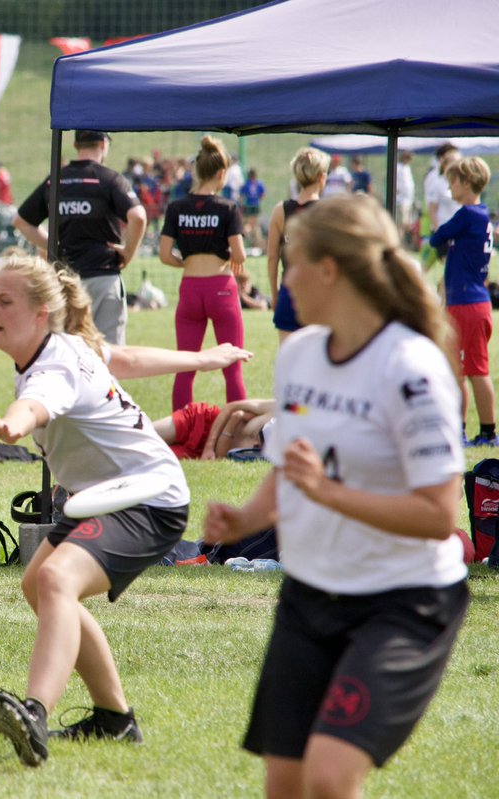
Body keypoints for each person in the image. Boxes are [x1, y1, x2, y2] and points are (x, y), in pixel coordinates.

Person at [203, 194, 469, 799]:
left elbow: (437, 515)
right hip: (311, 592)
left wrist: (327, 491)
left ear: (330, 271)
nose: (284, 277)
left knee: (327, 778)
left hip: (403, 604)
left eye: (293, 262)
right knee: (286, 784)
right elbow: (292, 465)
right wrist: (246, 517)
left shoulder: (411, 366)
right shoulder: (299, 356)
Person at [0, 253, 191, 768]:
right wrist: (204, 361)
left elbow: (35, 405)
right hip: (107, 494)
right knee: (39, 585)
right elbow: (122, 360)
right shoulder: (64, 344)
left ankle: (34, 713)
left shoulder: (50, 367)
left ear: (40, 313)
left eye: (4, 301)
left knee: (54, 582)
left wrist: (13, 425)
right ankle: (114, 719)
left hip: (147, 498)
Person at [15, 130, 147, 346]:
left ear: (76, 145)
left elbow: (22, 222)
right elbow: (138, 217)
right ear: (104, 144)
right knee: (109, 354)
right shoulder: (109, 179)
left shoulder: (55, 180)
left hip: (64, 281)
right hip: (103, 275)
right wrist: (128, 252)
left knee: (66, 352)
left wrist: (53, 246)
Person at [158, 136, 248, 410]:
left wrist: (186, 263)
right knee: (232, 367)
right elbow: (241, 254)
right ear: (222, 174)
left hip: (190, 290)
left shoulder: (176, 207)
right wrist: (230, 257)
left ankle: (179, 431)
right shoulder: (228, 208)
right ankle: (237, 435)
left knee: (185, 368)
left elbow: (164, 254)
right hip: (221, 288)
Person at [430, 156, 496, 447]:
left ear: (467, 182)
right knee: (458, 370)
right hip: (466, 303)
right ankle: (458, 429)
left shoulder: (468, 214)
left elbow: (437, 238)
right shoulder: (480, 215)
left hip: (468, 305)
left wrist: (444, 242)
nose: (449, 186)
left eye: (453, 181)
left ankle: (488, 432)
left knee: (476, 371)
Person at [267, 147, 328, 343]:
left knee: (288, 361)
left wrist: (275, 294)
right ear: (322, 177)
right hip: (319, 293)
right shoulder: (328, 211)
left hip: (289, 291)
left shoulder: (280, 210)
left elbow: (272, 257)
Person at [153, 398, 275, 461]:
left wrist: (237, 418)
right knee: (142, 434)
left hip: (208, 455)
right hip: (202, 422)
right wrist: (208, 447)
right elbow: (231, 407)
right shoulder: (284, 407)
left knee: (149, 456)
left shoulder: (283, 453)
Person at [424, 144, 462, 261]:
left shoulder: (461, 181)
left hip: (458, 229)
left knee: (454, 268)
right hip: (443, 230)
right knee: (447, 265)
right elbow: (432, 208)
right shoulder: (436, 180)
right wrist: (438, 231)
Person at [239, 168, 266, 250]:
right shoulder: (259, 184)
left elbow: (242, 197)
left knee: (248, 225)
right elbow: (263, 195)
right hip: (256, 206)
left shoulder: (246, 184)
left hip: (248, 206)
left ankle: (248, 239)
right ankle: (258, 245)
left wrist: (241, 206)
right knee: (255, 226)